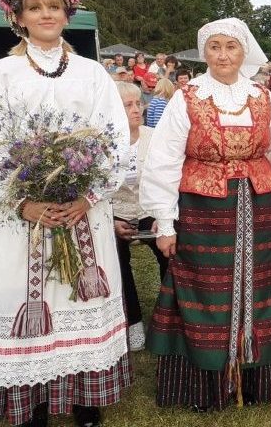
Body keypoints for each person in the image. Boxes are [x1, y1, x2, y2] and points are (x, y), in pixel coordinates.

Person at [0, 0, 131, 427]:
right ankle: (29, 401)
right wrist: (21, 203)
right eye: (35, 8)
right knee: (25, 301)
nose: (46, 14)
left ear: (66, 13)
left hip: (82, 211)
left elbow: (114, 140)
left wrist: (89, 195)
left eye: (53, 6)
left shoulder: (92, 73)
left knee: (80, 301)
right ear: (18, 17)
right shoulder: (0, 73)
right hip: (22, 215)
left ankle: (84, 398)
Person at [140, 18, 271, 409]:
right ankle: (206, 385)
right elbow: (163, 160)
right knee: (206, 291)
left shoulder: (263, 96)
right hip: (203, 210)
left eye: (231, 46)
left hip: (262, 206)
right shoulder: (187, 97)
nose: (223, 55)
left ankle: (259, 380)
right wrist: (165, 221)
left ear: (244, 51)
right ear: (204, 53)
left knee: (264, 290)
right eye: (215, 47)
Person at [111, 82, 168, 352]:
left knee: (169, 250)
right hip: (115, 213)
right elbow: (95, 190)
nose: (137, 109)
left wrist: (162, 216)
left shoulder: (155, 136)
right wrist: (110, 221)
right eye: (128, 105)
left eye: (138, 103)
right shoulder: (103, 142)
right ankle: (132, 320)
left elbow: (167, 180)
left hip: (149, 210)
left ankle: (168, 317)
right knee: (115, 258)